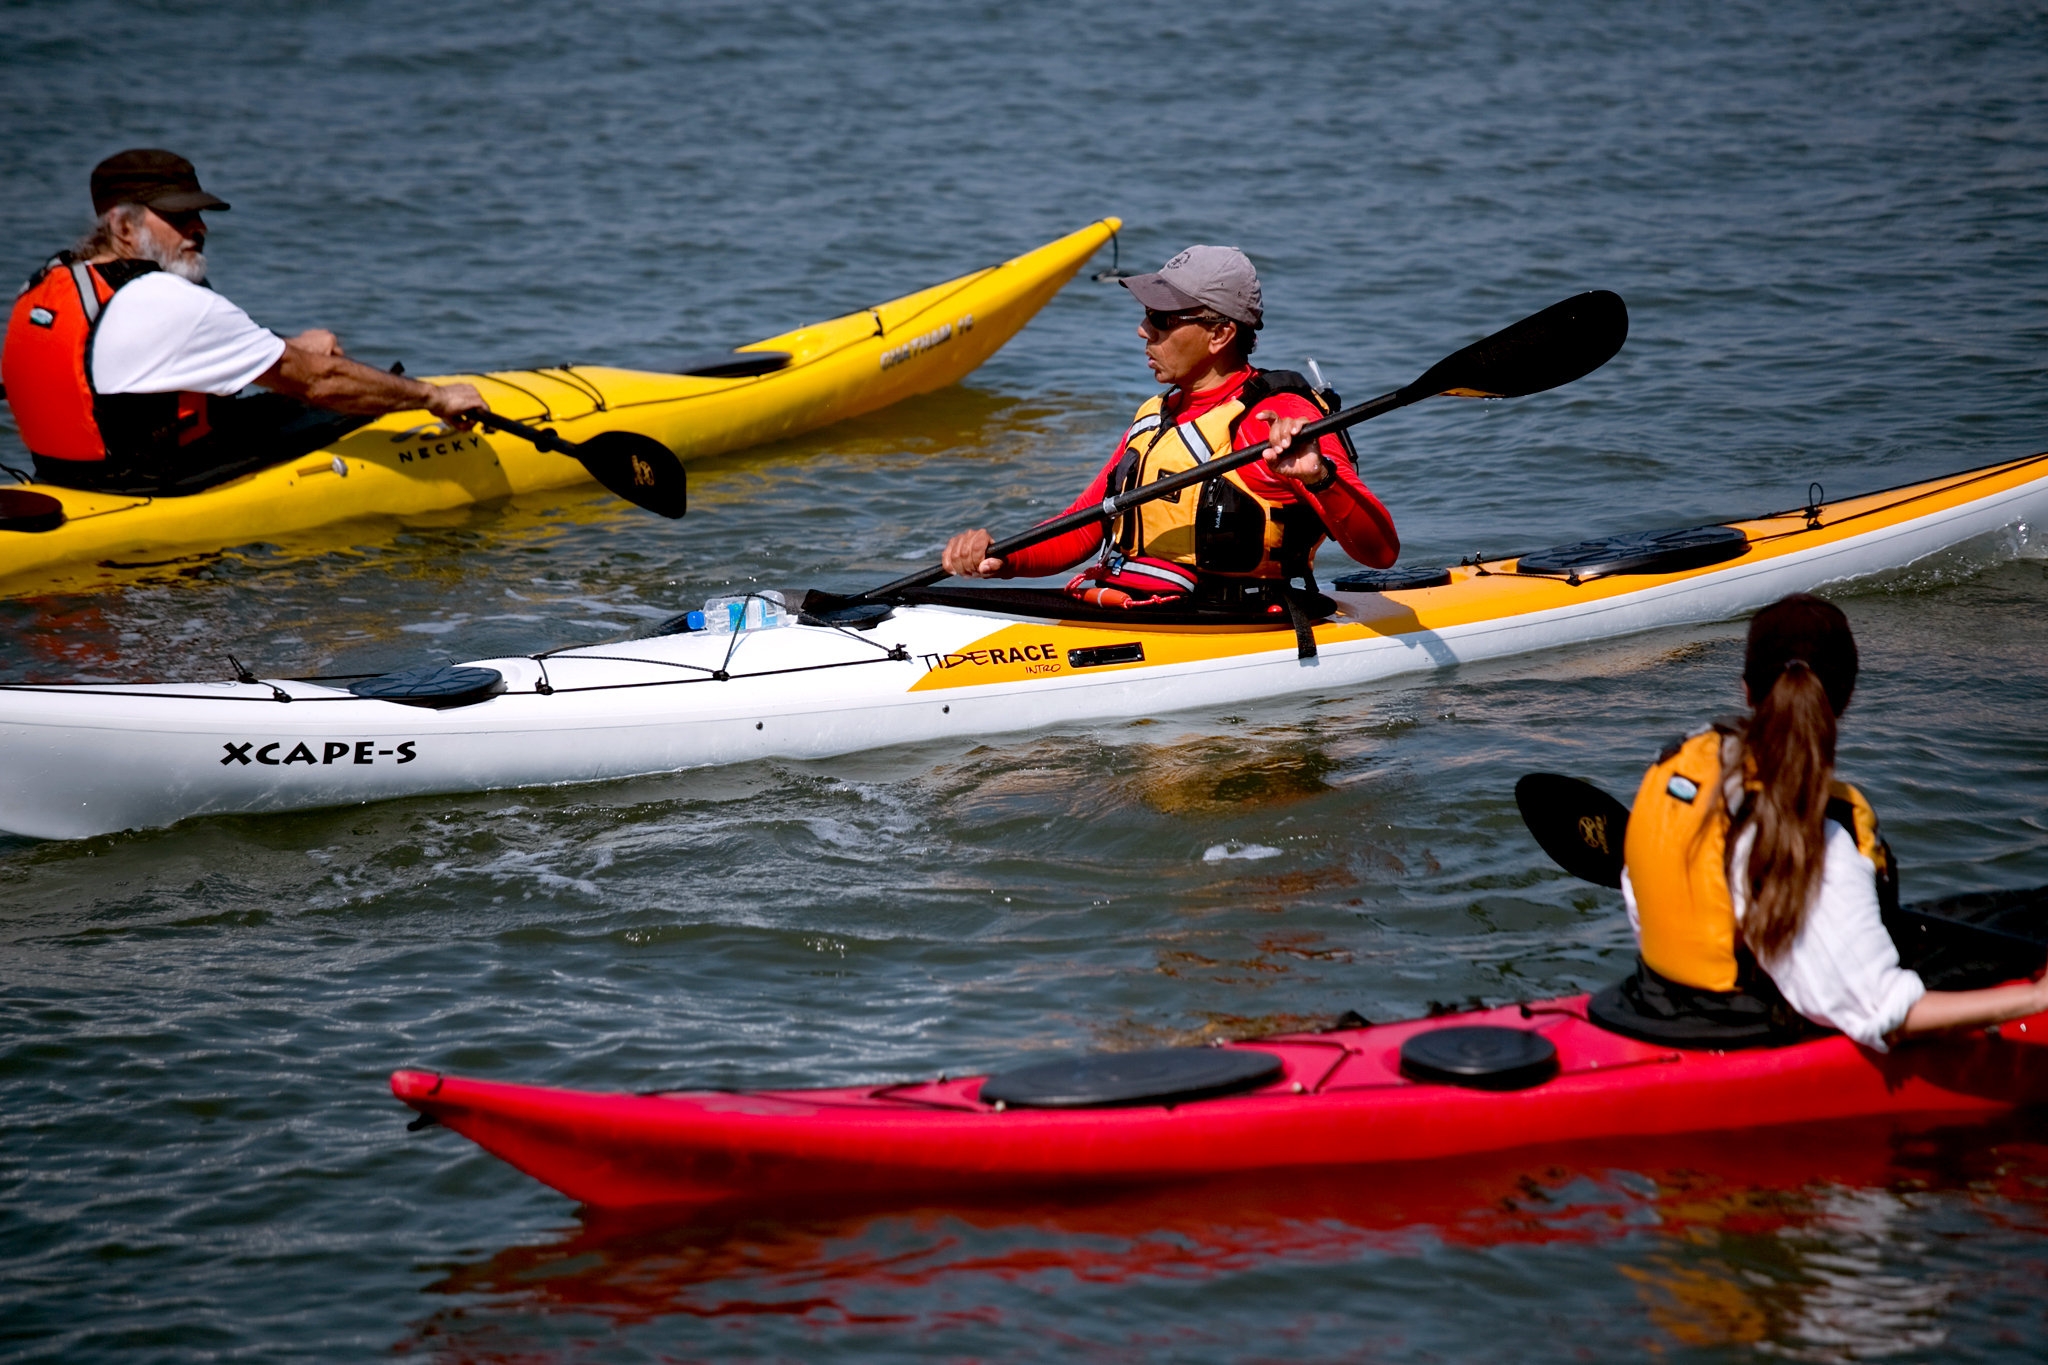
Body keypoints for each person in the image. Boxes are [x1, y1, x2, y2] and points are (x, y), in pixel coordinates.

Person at [1602, 593, 2048, 1050]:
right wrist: (2036, 997)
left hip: (1657, 1003)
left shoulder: (1677, 765)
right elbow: (1883, 1012)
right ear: (1847, 696)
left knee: (2018, 912)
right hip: (1745, 1025)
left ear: (1747, 688)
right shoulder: (1814, 830)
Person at [2, 148, 485, 495]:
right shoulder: (167, 297)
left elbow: (125, 361)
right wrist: (434, 396)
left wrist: (287, 348)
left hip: (63, 481)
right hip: (155, 483)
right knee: (343, 404)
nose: (199, 228)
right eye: (178, 215)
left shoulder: (46, 285)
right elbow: (320, 382)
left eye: (199, 213)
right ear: (123, 227)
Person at [940, 245, 1397, 610]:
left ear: (1219, 334)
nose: (1143, 330)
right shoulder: (1157, 414)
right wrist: (1001, 558)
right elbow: (1084, 526)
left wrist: (1319, 478)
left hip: (1233, 624)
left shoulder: (1274, 419)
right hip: (1137, 604)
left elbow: (1380, 554)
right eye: (1145, 315)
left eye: (1161, 319)